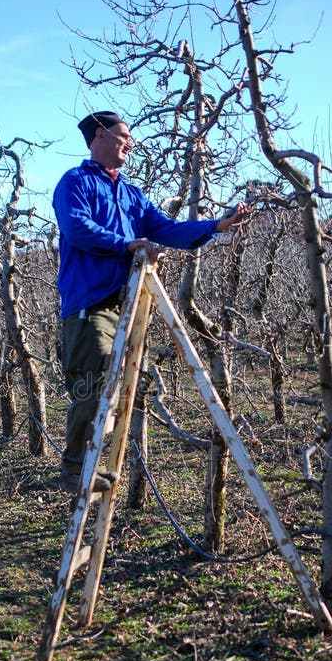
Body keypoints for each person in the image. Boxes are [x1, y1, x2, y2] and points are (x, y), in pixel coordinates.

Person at [53, 110, 249, 494]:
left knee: (119, 384)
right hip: (89, 303)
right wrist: (125, 244)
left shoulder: (130, 193)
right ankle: (75, 468)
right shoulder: (75, 183)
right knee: (90, 383)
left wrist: (215, 227)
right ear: (98, 136)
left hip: (126, 303)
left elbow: (166, 229)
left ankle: (95, 460)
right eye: (122, 135)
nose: (130, 142)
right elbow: (77, 228)